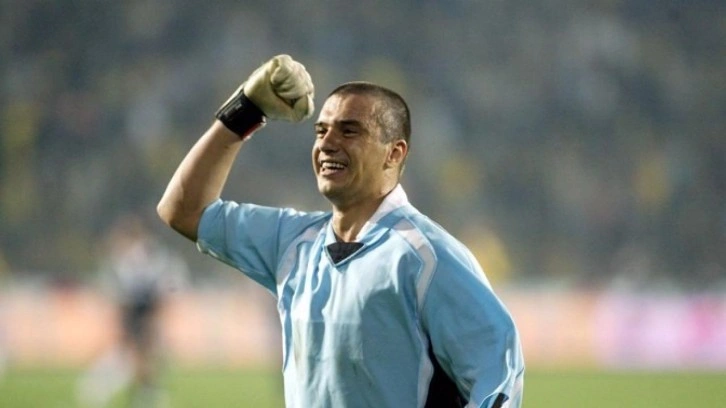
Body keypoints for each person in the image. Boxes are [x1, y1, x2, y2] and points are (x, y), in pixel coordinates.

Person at [157, 54, 524, 407]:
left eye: (349, 131)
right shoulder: (293, 243)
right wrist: (245, 111)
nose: (327, 143)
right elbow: (183, 210)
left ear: (394, 153)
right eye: (321, 131)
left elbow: (499, 379)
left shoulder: (427, 258)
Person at [78, 214, 188, 408]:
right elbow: (145, 287)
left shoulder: (136, 254)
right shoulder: (143, 255)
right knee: (138, 353)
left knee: (139, 354)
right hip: (138, 308)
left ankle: (142, 393)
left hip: (140, 307)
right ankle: (134, 392)